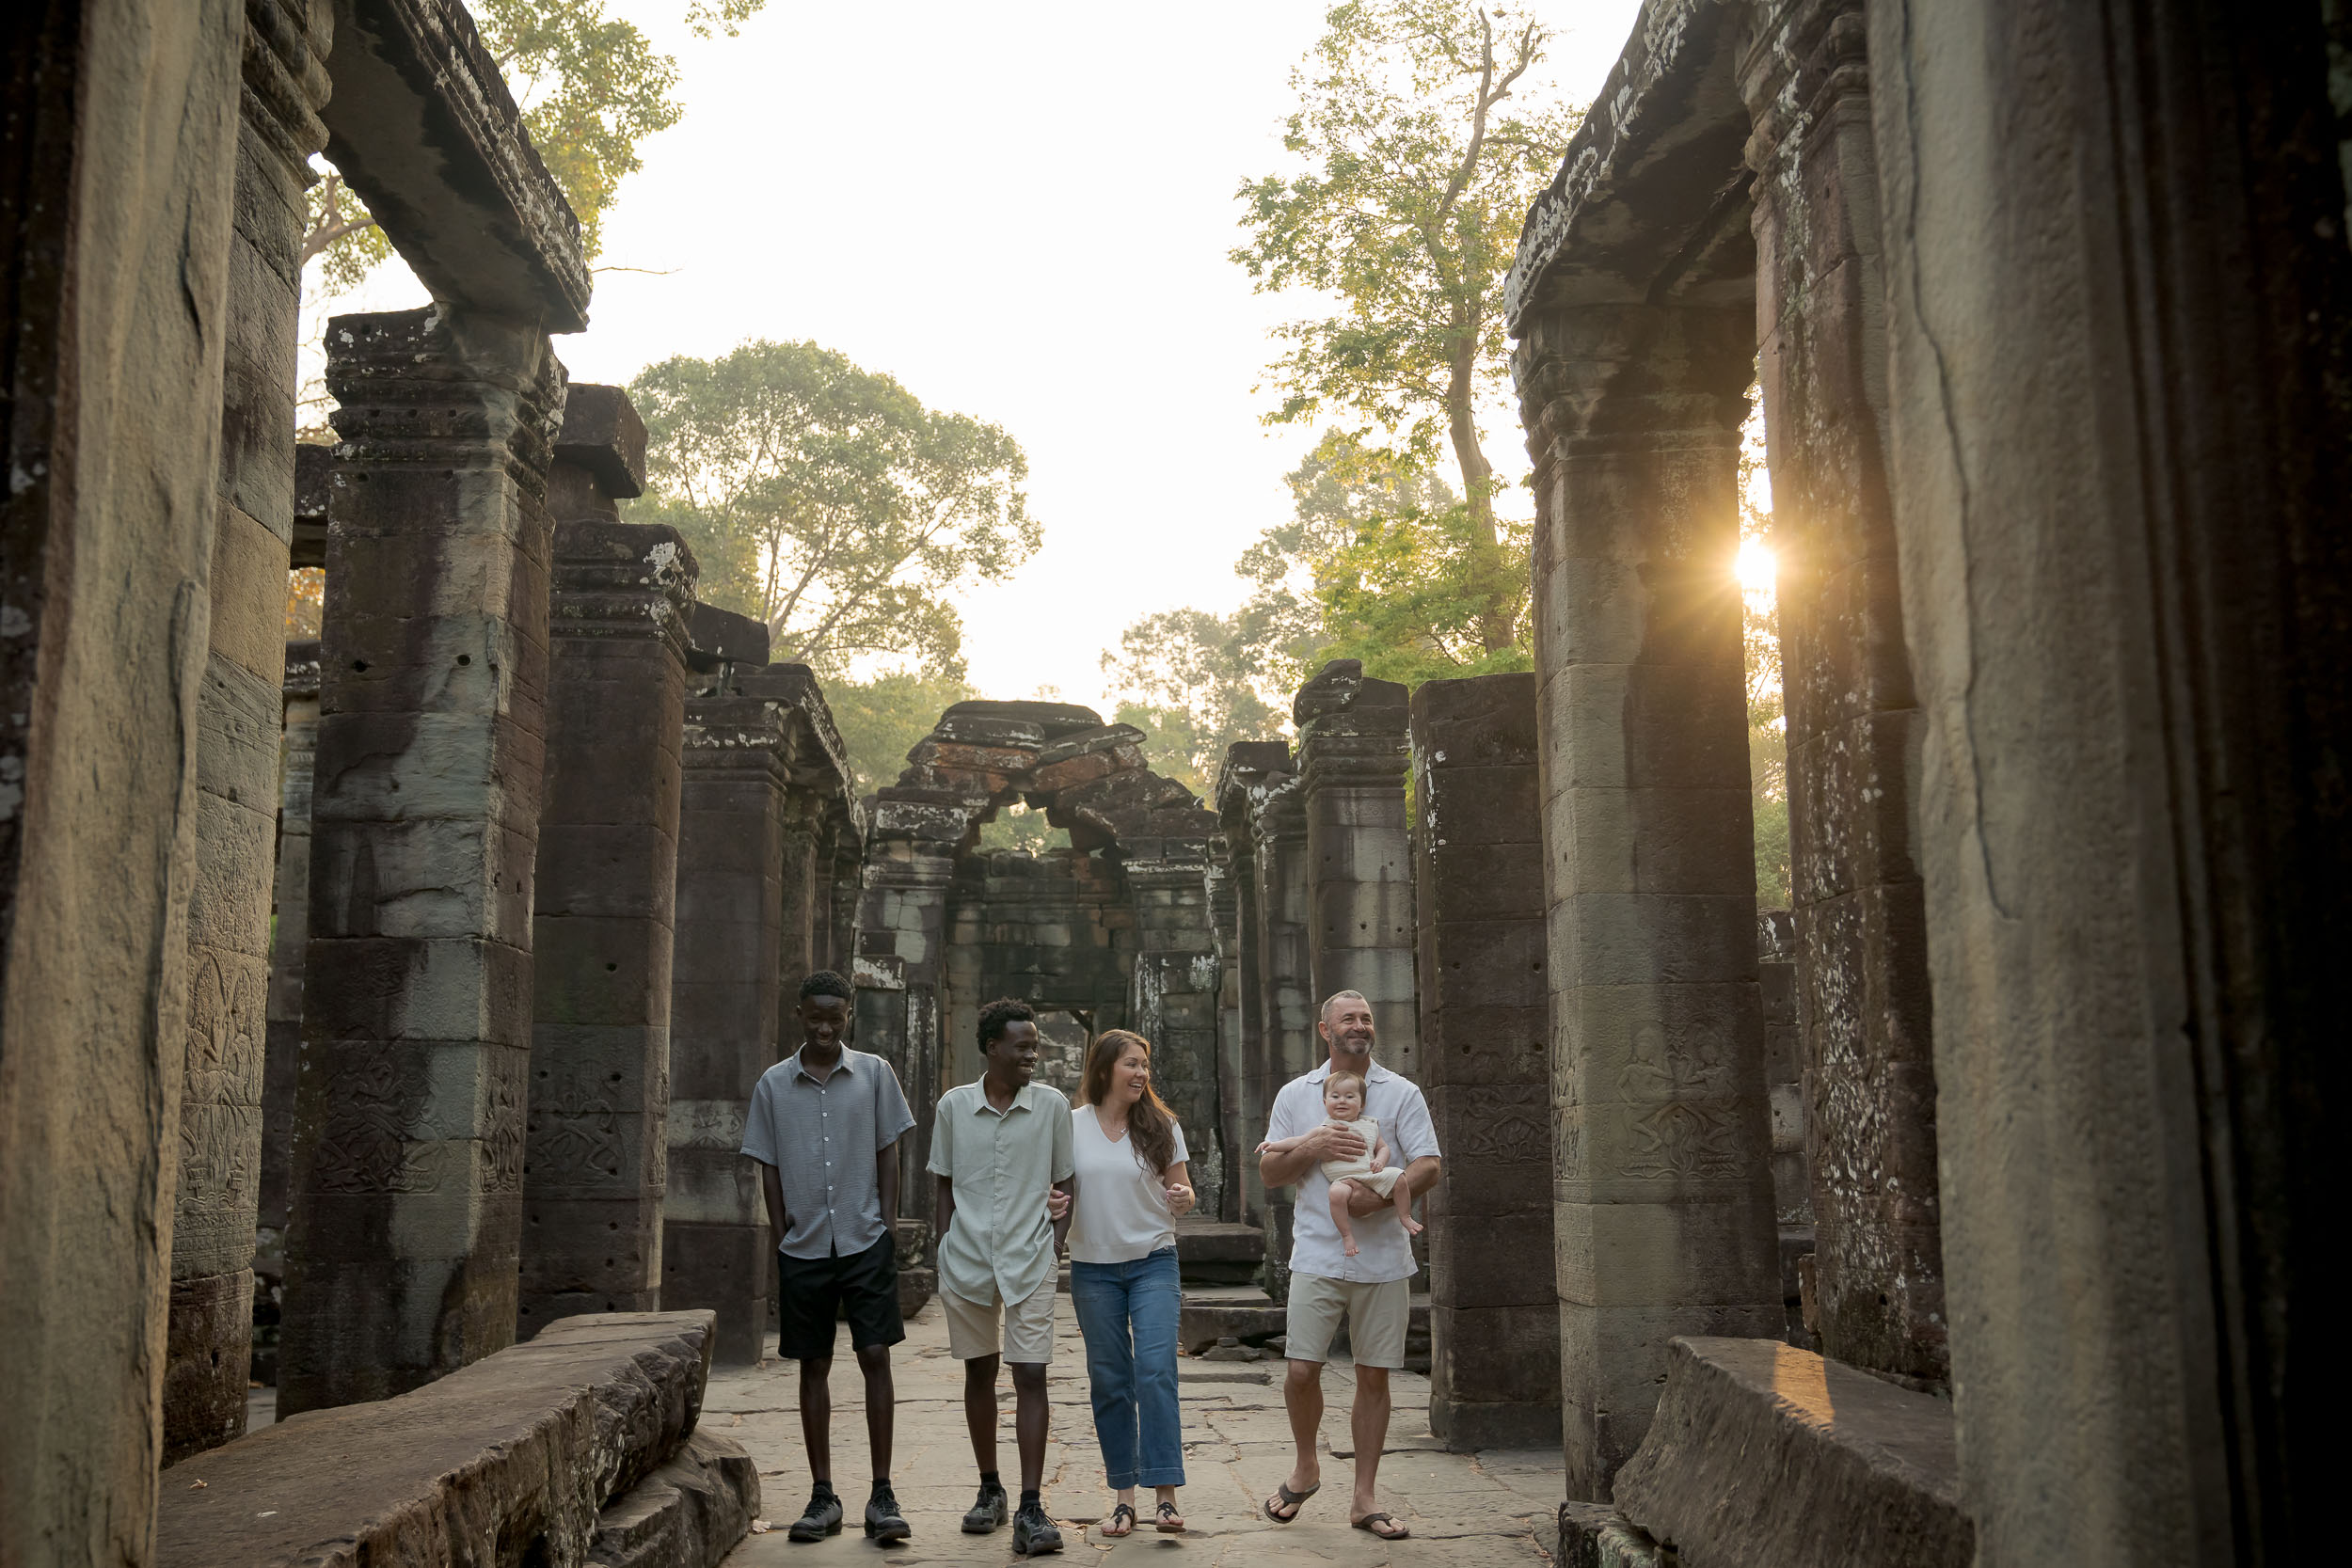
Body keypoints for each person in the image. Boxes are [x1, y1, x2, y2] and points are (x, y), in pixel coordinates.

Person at [739, 970, 918, 1544]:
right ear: (800, 1014)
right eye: (814, 1016)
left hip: (864, 1238)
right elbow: (766, 1163)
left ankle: (883, 1493)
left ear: (849, 1015)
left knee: (875, 1356)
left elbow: (889, 1151)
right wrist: (778, 1231)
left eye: (834, 1018)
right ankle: (822, 1494)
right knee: (813, 1363)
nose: (823, 1027)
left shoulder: (873, 1074)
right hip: (805, 1244)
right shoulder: (773, 1084)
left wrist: (886, 1225)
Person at [1256, 990, 1441, 1542]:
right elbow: (1270, 1174)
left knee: (1374, 1376)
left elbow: (1429, 1163)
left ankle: (1364, 1498)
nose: (1359, 1026)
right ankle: (1306, 1466)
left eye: (1366, 1018)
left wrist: (1380, 1200)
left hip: (1384, 1258)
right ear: (1325, 1030)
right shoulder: (1297, 1095)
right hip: (1316, 1251)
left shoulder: (1401, 1092)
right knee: (1300, 1370)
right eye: (1348, 1019)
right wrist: (1312, 1143)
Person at [929, 997, 1076, 1557]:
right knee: (979, 1373)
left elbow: (1068, 1178)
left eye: (1036, 1045)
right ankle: (989, 1489)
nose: (1033, 1055)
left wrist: (1058, 1243)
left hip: (1031, 1255)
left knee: (1031, 1373)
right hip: (965, 1259)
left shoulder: (1052, 1107)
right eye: (1023, 1046)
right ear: (993, 1047)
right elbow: (942, 1181)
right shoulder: (953, 1107)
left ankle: (1031, 1505)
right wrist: (944, 1243)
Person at [1066, 1030, 1197, 1538]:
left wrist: (1182, 1199)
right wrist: (1056, 1204)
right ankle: (1123, 1498)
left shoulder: (1161, 1126)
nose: (1141, 1073)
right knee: (1110, 1381)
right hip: (1092, 1267)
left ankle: (1165, 1496)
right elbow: (1058, 1188)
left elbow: (1179, 1192)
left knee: (1156, 1371)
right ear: (1104, 1070)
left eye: (1145, 1065)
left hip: (1153, 1261)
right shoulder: (1070, 1125)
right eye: (1131, 1064)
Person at [1255, 1069, 1422, 1259]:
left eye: (1350, 1097)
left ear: (1362, 1104)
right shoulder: (1324, 1128)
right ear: (1325, 1102)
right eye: (1335, 1096)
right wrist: (1272, 1145)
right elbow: (1296, 1141)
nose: (1342, 1101)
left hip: (1369, 1174)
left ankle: (1405, 1216)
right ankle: (1347, 1235)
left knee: (1400, 1177)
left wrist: (1379, 1161)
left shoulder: (1370, 1125)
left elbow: (1383, 1148)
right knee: (1335, 1194)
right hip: (1342, 1179)